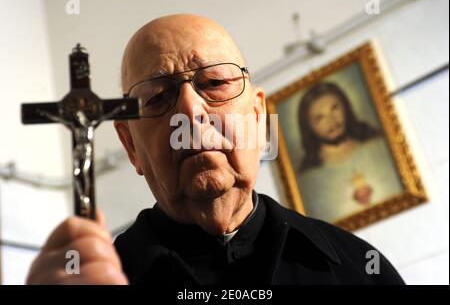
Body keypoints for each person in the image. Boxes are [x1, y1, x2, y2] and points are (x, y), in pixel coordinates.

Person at [26, 14, 404, 285]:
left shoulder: (358, 268)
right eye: (158, 97)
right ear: (131, 146)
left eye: (215, 82)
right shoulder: (96, 278)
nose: (190, 111)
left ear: (258, 117)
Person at [296, 82, 404, 222]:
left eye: (335, 108)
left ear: (345, 107)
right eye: (319, 118)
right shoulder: (309, 176)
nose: (331, 120)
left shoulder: (377, 145)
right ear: (308, 127)